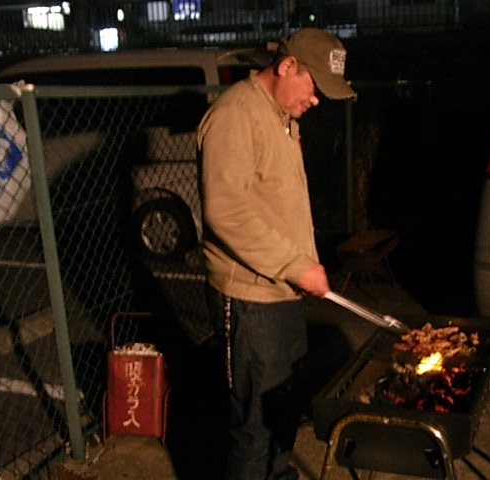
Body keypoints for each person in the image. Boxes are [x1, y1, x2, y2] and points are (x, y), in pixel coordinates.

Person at [196, 27, 355, 479]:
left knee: (283, 413)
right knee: (254, 429)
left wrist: (302, 263)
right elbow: (227, 212)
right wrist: (295, 265)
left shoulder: (282, 117)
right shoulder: (235, 115)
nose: (318, 100)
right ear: (288, 66)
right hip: (249, 301)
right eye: (315, 87)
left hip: (283, 293)